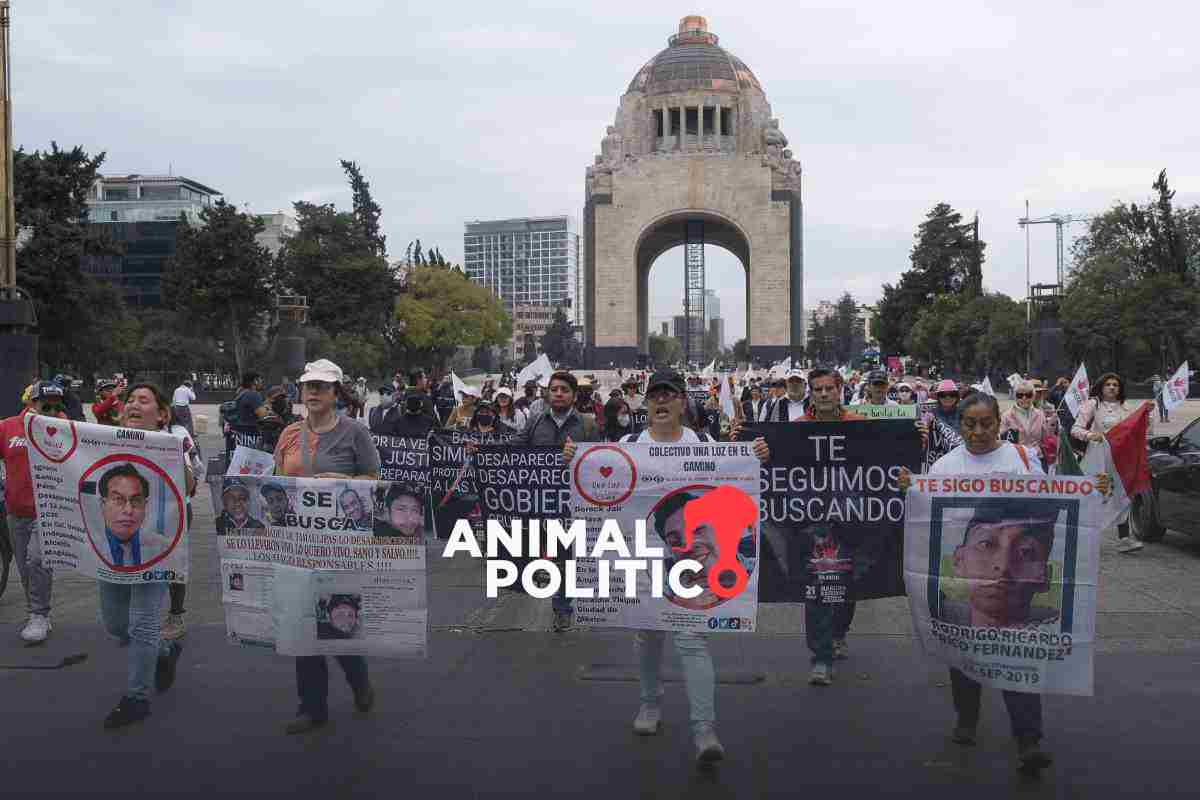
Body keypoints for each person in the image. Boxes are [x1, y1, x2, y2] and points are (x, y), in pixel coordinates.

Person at [565, 368, 768, 768]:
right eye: (654, 395)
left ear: (682, 402)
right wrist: (573, 461)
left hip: (692, 565)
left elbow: (737, 487)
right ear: (645, 403)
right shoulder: (625, 446)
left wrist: (756, 456)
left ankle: (704, 729)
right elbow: (593, 488)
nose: (661, 401)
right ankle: (650, 703)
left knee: (691, 638)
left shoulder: (706, 444)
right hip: (646, 556)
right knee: (648, 635)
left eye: (669, 395)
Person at [897, 391, 1080, 774]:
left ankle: (1029, 741)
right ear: (960, 425)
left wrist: (1091, 490)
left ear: (999, 423)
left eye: (987, 423)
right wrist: (909, 488)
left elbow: (1050, 502)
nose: (979, 431)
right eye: (970, 424)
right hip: (973, 583)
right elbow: (926, 514)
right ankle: (967, 718)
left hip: (1013, 584)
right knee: (964, 658)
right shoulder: (945, 466)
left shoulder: (1022, 458)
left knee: (1017, 662)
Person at [273, 358, 380, 734]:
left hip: (340, 545)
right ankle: (311, 707)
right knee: (302, 626)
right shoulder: (288, 434)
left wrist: (344, 481)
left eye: (321, 386)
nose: (313, 392)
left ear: (336, 393)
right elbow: (275, 482)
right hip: (297, 545)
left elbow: (374, 479)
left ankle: (359, 681)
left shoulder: (355, 433)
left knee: (337, 625)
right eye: (308, 386)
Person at [99, 383, 191, 729]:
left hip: (155, 549)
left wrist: (175, 454)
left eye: (144, 400)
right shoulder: (101, 440)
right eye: (130, 400)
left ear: (161, 414)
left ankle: (137, 698)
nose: (134, 404)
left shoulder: (173, 440)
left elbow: (190, 485)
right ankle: (165, 653)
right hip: (110, 553)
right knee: (116, 625)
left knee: (142, 624)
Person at [516, 371, 599, 631]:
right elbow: (514, 447)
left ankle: (562, 606)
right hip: (541, 502)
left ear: (573, 395)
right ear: (547, 394)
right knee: (550, 553)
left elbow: (600, 461)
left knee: (570, 556)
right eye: (554, 389)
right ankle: (553, 593)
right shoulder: (535, 422)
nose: (559, 394)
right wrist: (483, 449)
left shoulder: (587, 425)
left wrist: (576, 458)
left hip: (574, 503)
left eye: (564, 389)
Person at [0, 381, 67, 644]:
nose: (50, 409)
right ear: (31, 403)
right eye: (45, 404)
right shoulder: (7, 427)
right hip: (15, 510)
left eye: (55, 405)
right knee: (25, 567)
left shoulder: (65, 428)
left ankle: (38, 614)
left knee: (38, 559)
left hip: (48, 510)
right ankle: (37, 612)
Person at [938, 501, 1059, 629]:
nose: (1003, 566)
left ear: (1045, 576)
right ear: (959, 560)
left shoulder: (1057, 626)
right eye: (986, 544)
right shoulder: (938, 612)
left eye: (1025, 551)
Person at [1071, 372, 1153, 553]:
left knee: (1122, 495)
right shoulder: (1093, 404)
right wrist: (1090, 434)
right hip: (1096, 457)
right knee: (1093, 495)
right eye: (1108, 384)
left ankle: (1124, 538)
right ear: (1101, 386)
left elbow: (1140, 429)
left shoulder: (1125, 407)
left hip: (1120, 460)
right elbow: (1075, 429)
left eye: (1115, 385)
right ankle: (1083, 536)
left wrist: (1147, 414)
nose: (1112, 387)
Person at [1001, 380, 1050, 460]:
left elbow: (1045, 438)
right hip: (1015, 459)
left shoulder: (1040, 414)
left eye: (1028, 395)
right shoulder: (1006, 416)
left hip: (1036, 458)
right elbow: (1003, 441)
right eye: (1020, 395)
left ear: (1033, 396)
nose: (1024, 398)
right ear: (1015, 396)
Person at [258, 385, 300, 454]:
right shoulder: (267, 418)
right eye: (276, 399)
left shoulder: (295, 418)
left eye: (283, 398)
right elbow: (263, 443)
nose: (281, 401)